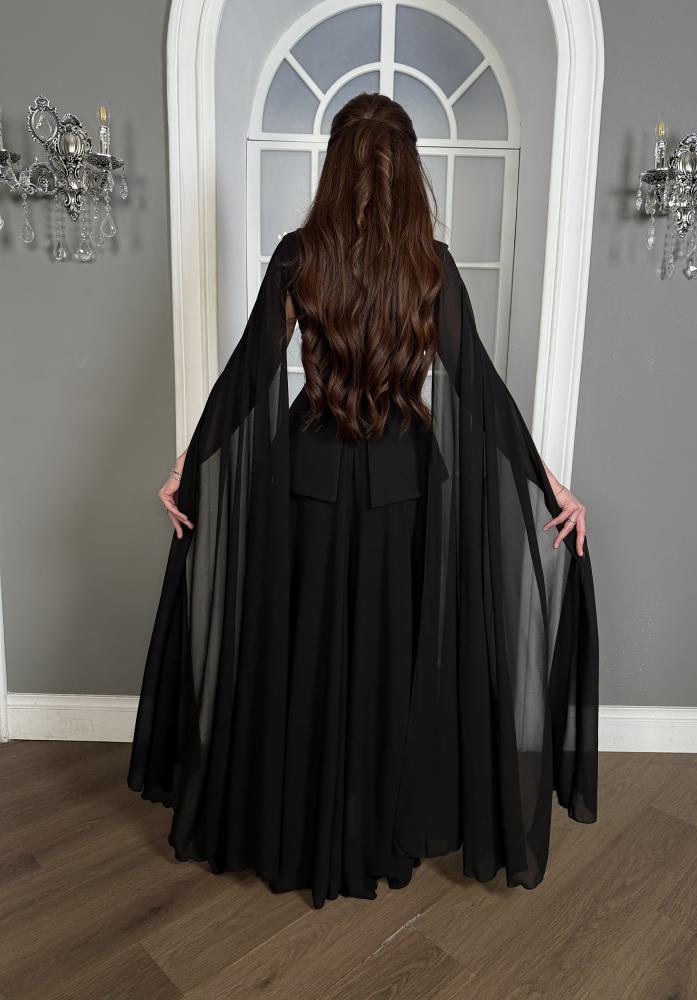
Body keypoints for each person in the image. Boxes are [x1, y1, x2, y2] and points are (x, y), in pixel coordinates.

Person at [127, 93, 598, 911]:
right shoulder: (431, 266)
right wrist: (548, 482)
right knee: (387, 660)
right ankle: (373, 829)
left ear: (334, 165)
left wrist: (188, 462)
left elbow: (248, 377)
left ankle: (301, 828)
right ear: (410, 170)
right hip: (399, 488)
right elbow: (480, 389)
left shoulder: (299, 257)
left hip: (305, 480)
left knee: (303, 651)